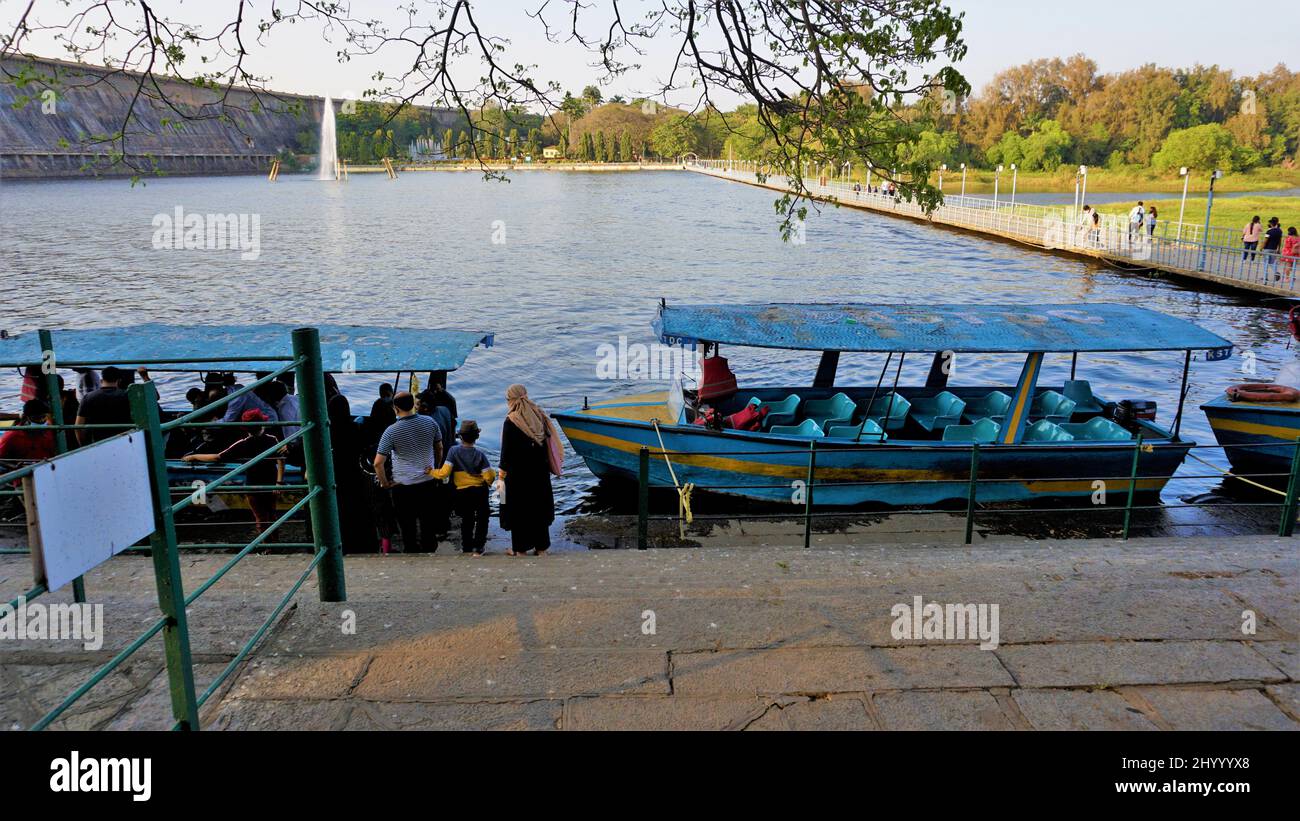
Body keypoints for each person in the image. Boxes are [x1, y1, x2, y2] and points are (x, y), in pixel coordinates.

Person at [183, 408, 284, 532]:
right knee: (272, 515)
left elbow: (217, 457)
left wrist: (193, 456)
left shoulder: (242, 444)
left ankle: (266, 548)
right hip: (271, 482)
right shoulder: (272, 439)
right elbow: (281, 460)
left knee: (260, 517)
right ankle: (274, 543)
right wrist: (278, 482)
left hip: (253, 484)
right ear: (262, 424)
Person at [374, 391, 443, 553]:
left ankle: (412, 553)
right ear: (413, 404)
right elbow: (439, 447)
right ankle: (430, 551)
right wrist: (436, 469)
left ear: (395, 408)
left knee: (407, 527)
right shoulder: (430, 422)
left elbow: (378, 463)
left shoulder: (391, 431)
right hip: (427, 481)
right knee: (428, 524)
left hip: (403, 486)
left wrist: (385, 484)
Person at [499, 384, 556, 557]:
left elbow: (506, 454)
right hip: (539, 472)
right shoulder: (539, 415)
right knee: (539, 508)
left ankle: (520, 549)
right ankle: (541, 548)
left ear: (511, 400)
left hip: (518, 476)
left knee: (519, 511)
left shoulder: (511, 421)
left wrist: (501, 476)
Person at [324, 373, 378, 553]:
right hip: (354, 475)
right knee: (358, 510)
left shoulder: (326, 433)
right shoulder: (355, 429)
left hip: (334, 476)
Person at [428, 420, 496, 556]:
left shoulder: (453, 451)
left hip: (462, 492)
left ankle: (467, 547)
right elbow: (489, 476)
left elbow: (444, 473)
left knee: (467, 520)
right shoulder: (480, 454)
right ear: (477, 437)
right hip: (479, 491)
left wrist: (430, 471)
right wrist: (488, 479)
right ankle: (479, 546)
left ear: (460, 437)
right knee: (483, 518)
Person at [75, 366, 147, 445]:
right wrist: (145, 377)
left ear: (101, 380)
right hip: (125, 441)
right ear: (119, 380)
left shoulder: (88, 397)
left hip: (99, 443)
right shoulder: (128, 396)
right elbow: (153, 399)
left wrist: (84, 446)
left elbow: (78, 427)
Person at [0, 399, 56, 464]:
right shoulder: (12, 437)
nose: (41, 421)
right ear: (26, 418)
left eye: (43, 417)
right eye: (36, 418)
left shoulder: (52, 429)